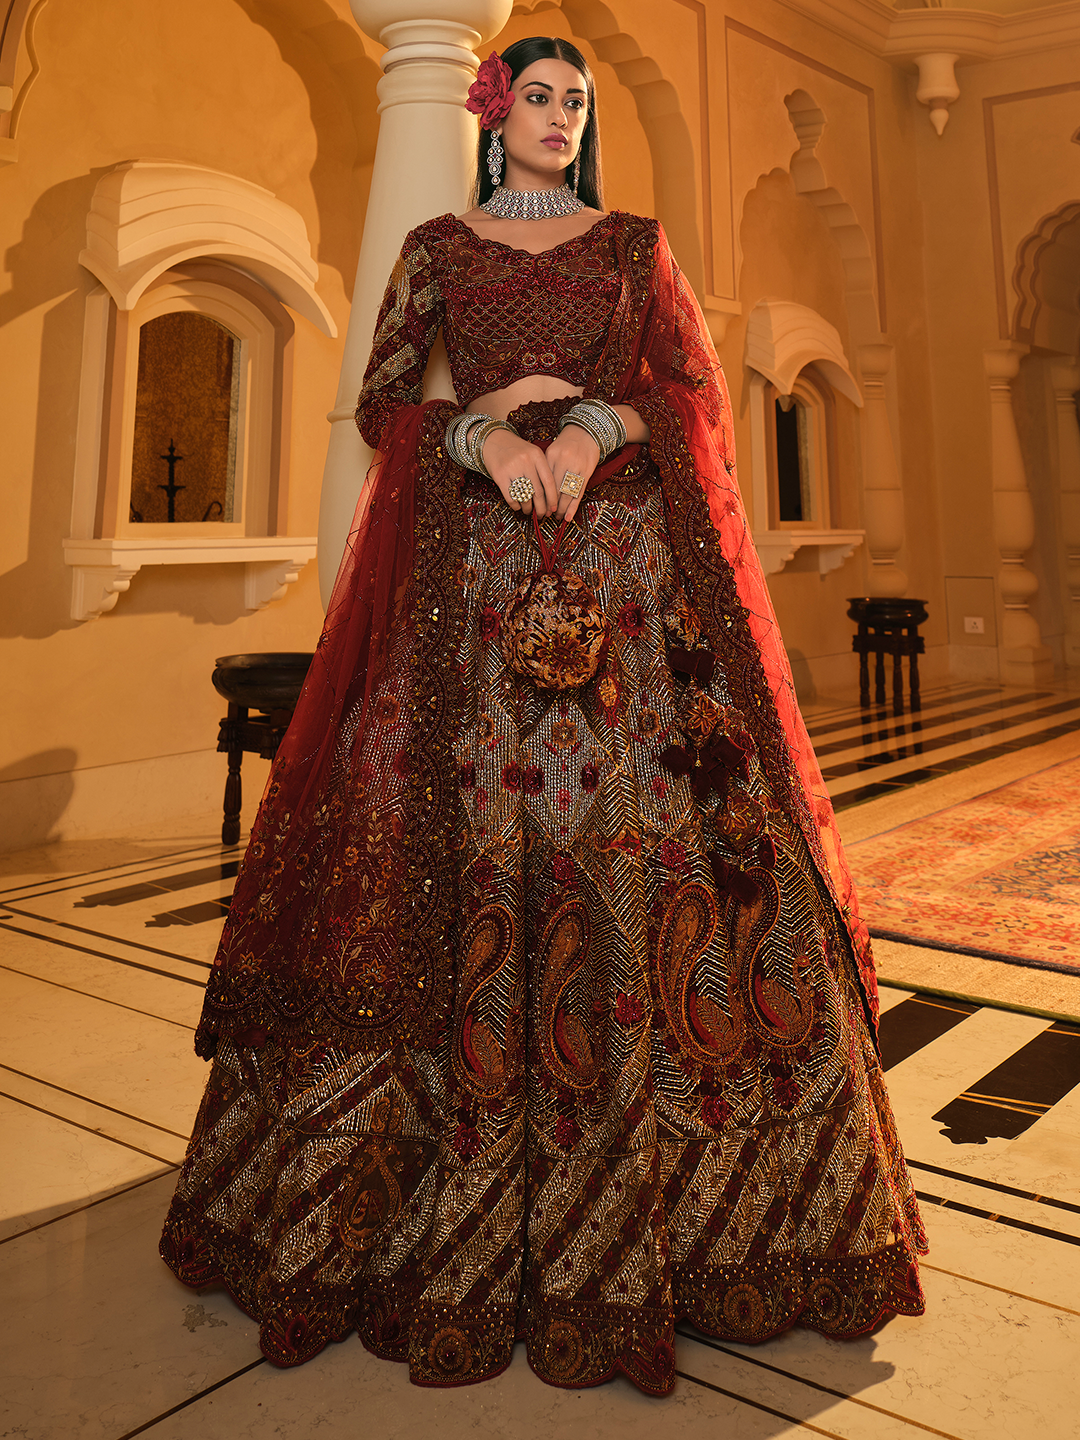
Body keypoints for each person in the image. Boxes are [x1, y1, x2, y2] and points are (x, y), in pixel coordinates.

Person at [161, 36, 926, 1396]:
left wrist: (594, 431)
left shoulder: (636, 247)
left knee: (659, 844)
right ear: (492, 109)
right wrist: (486, 433)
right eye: (540, 95)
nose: (562, 116)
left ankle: (706, 1205)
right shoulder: (437, 251)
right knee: (425, 842)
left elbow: (692, 392)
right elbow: (387, 396)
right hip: (473, 579)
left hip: (629, 576)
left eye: (578, 100)